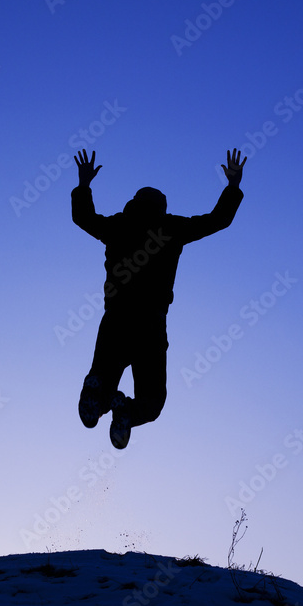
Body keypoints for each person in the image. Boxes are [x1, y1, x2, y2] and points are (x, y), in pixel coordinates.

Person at [72, 148, 246, 448]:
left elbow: (83, 217)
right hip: (150, 326)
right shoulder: (172, 228)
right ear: (162, 208)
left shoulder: (117, 226)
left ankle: (97, 389)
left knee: (103, 381)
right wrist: (232, 186)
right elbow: (217, 220)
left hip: (117, 318)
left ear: (134, 203)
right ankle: (126, 410)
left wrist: (84, 185)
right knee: (152, 402)